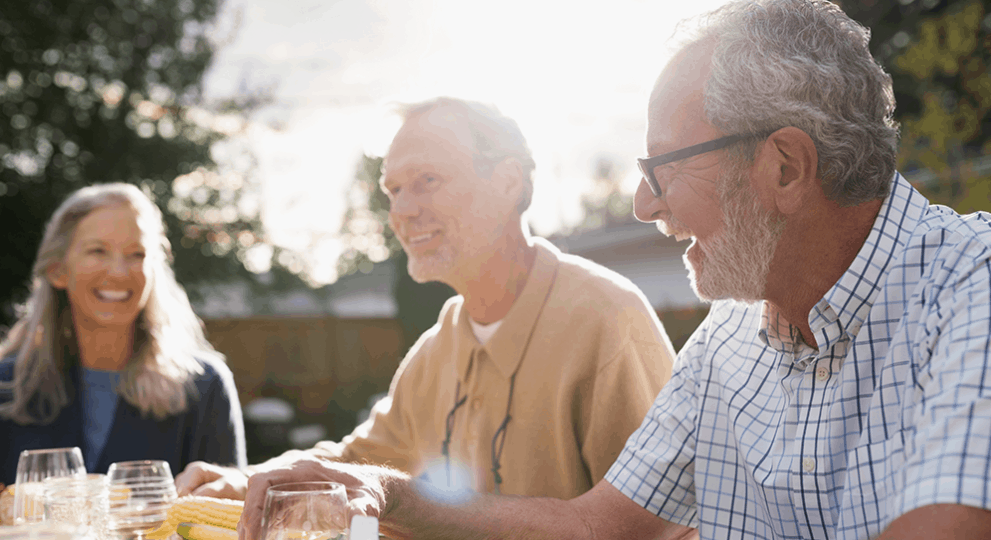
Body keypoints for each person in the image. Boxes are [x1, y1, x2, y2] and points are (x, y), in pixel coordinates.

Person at [231, 1, 991, 539]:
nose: (638, 203)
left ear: (784, 166)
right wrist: (387, 493)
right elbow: (597, 524)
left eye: (662, 167)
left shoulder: (972, 290)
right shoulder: (731, 337)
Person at [175, 97, 676, 502]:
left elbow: (665, 524)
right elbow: (357, 463)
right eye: (393, 189)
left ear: (507, 183)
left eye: (427, 181)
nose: (403, 211)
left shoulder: (609, 322)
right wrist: (245, 480)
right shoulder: (441, 346)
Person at [0, 183, 246, 484]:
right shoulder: (7, 387)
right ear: (57, 270)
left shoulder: (205, 388)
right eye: (98, 251)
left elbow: (226, 520)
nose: (119, 272)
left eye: (136, 254)